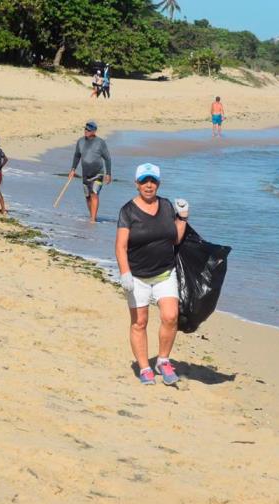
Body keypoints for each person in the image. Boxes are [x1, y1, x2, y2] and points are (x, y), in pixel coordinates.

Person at [115, 163, 189, 385]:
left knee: (170, 317)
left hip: (165, 273)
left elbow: (175, 239)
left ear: (159, 183)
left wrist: (182, 217)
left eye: (153, 181)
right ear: (136, 184)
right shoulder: (127, 211)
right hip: (136, 277)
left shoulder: (166, 206)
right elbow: (120, 246)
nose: (149, 185)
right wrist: (125, 273)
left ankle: (163, 361)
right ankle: (145, 367)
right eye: (144, 181)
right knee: (140, 322)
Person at [68, 120, 112, 223]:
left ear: (94, 131)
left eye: (89, 129)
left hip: (98, 173)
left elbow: (107, 158)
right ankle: (92, 215)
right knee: (87, 197)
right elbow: (77, 155)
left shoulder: (100, 143)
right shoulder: (80, 141)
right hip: (85, 174)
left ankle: (93, 219)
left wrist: (108, 174)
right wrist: (73, 169)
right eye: (85, 129)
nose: (86, 131)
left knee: (94, 193)